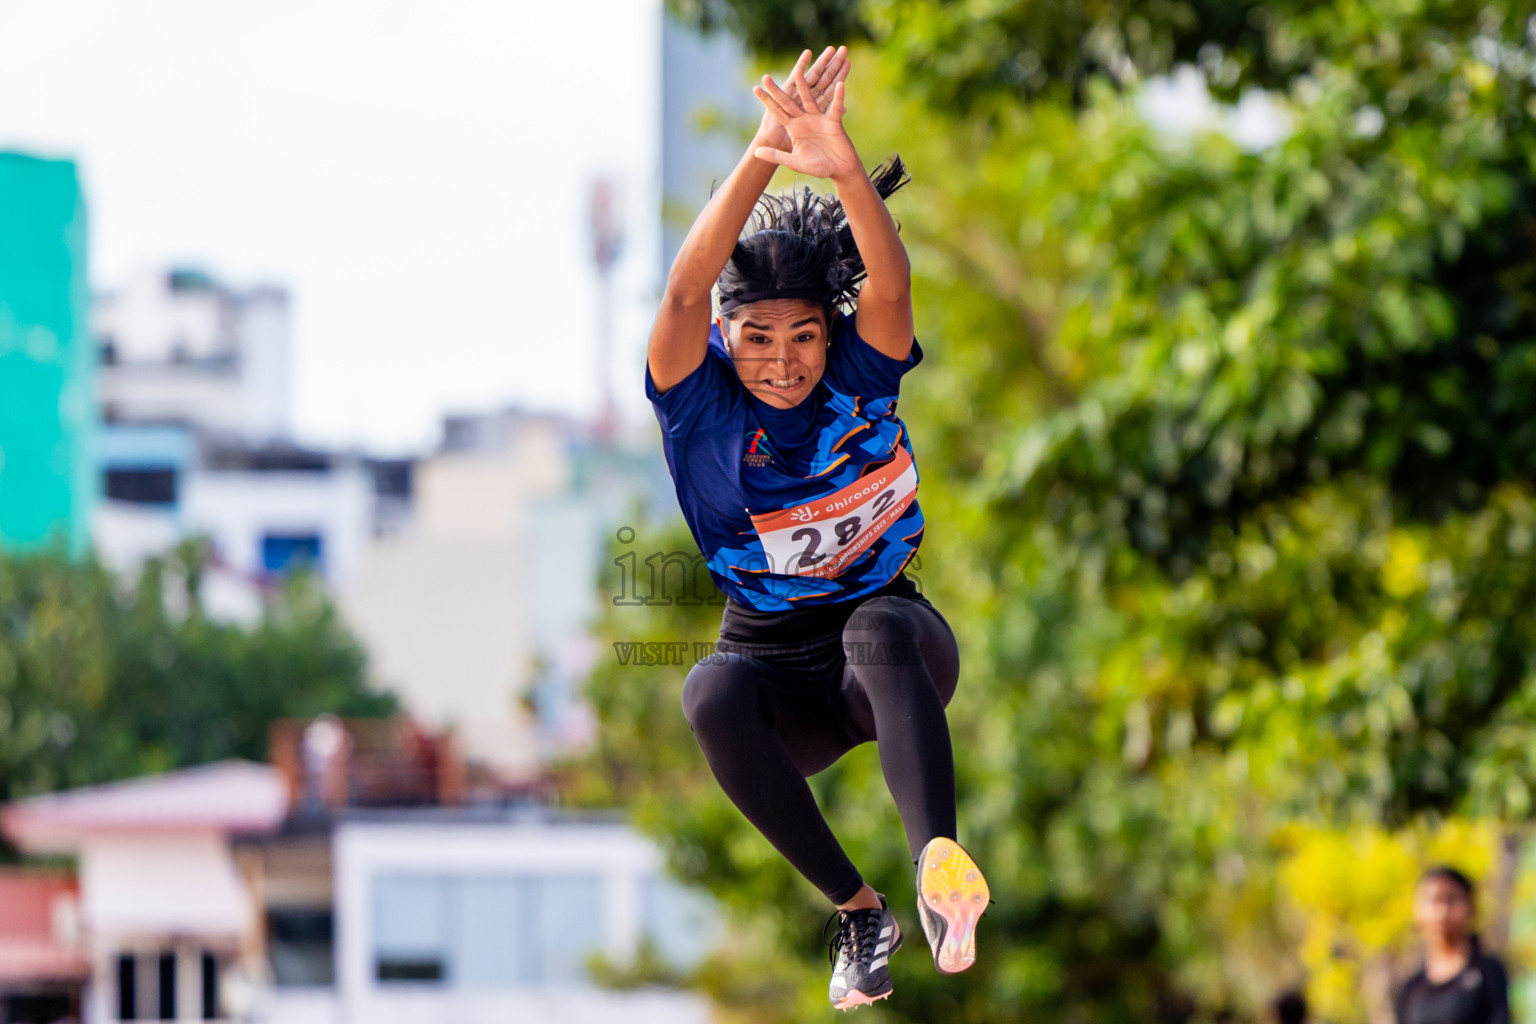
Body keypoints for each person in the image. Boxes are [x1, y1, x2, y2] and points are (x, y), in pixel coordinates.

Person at [644, 44, 989, 1010]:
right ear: (725, 338)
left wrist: (844, 171)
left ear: (827, 336)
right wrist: (762, 154)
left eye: (803, 337)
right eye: (758, 339)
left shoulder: (857, 375)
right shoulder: (698, 406)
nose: (784, 363)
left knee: (874, 626)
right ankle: (859, 915)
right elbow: (683, 293)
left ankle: (938, 868)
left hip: (893, 654)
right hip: (775, 676)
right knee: (709, 689)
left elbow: (891, 284)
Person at [1394, 866, 1510, 1024]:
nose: (1441, 912)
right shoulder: (1411, 990)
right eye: (1432, 901)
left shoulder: (1488, 972)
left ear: (1471, 907)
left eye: (1451, 900)